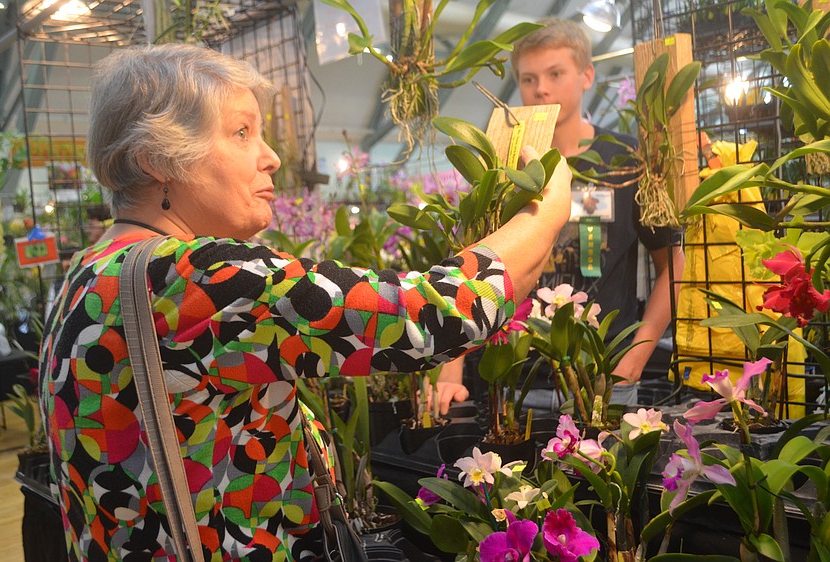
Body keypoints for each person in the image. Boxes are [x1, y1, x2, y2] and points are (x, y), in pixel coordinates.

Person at [38, 43, 572, 561]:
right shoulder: (197, 280)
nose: (270, 157)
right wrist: (545, 213)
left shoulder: (87, 276)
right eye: (242, 132)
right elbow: (429, 315)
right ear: (155, 158)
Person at [436, 18, 685, 413]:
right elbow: (469, 264)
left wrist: (634, 359)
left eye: (556, 73)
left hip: (603, 378)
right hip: (515, 380)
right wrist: (451, 367)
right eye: (529, 78)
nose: (542, 89)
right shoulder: (502, 167)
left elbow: (672, 262)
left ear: (587, 75)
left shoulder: (627, 159)